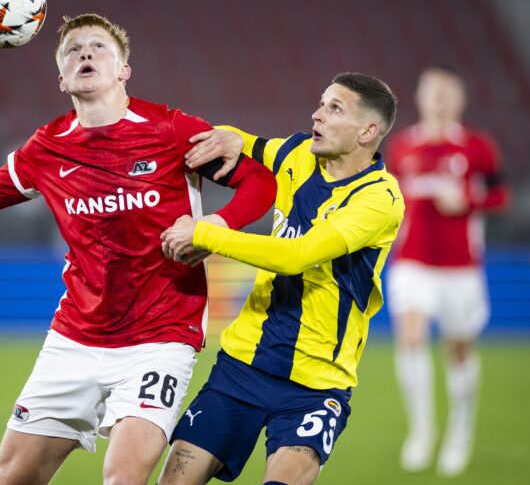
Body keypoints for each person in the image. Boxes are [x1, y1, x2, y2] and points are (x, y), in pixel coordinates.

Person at [0, 13, 276, 485]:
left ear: (124, 70)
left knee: (122, 478)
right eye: (73, 49)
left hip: (161, 338)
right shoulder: (48, 148)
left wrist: (212, 228)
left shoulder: (172, 130)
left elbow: (259, 182)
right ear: (61, 78)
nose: (85, 53)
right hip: (74, 338)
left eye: (99, 47)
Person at [158, 73, 403, 484]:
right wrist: (231, 137)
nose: (317, 115)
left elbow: (298, 255)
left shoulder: (380, 200)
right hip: (242, 365)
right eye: (322, 103)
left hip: (315, 385)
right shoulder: (297, 154)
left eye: (334, 108)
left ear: (368, 132)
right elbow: (245, 143)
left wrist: (205, 232)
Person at [384, 65, 509, 476]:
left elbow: (501, 196)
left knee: (459, 349)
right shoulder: (402, 148)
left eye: (446, 91)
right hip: (412, 262)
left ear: (459, 98)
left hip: (460, 267)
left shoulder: (478, 147)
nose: (438, 97)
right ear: (419, 97)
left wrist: (469, 203)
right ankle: (421, 429)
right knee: (412, 334)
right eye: (431, 90)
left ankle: (460, 429)